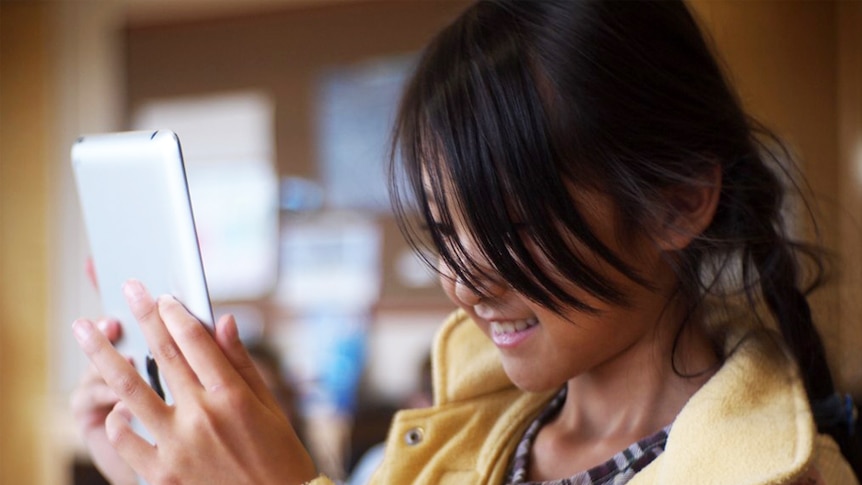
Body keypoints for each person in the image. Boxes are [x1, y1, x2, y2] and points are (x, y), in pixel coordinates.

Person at [70, 1, 861, 484]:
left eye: (510, 223)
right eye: (446, 231)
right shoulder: (466, 436)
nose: (462, 280)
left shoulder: (783, 475)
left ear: (679, 204)